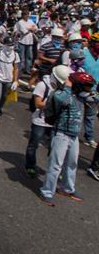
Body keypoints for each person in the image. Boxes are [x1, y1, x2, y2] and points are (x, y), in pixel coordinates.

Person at [39, 66, 87, 205]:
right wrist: (67, 87)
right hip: (61, 133)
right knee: (55, 165)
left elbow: (93, 96)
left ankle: (67, 188)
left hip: (74, 135)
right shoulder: (60, 94)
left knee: (72, 163)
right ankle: (47, 191)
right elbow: (60, 100)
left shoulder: (79, 93)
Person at [25, 72, 54, 177]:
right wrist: (55, 103)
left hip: (54, 123)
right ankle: (30, 166)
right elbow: (38, 103)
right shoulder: (42, 85)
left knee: (54, 147)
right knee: (34, 144)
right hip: (40, 121)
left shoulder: (64, 87)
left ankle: (53, 169)